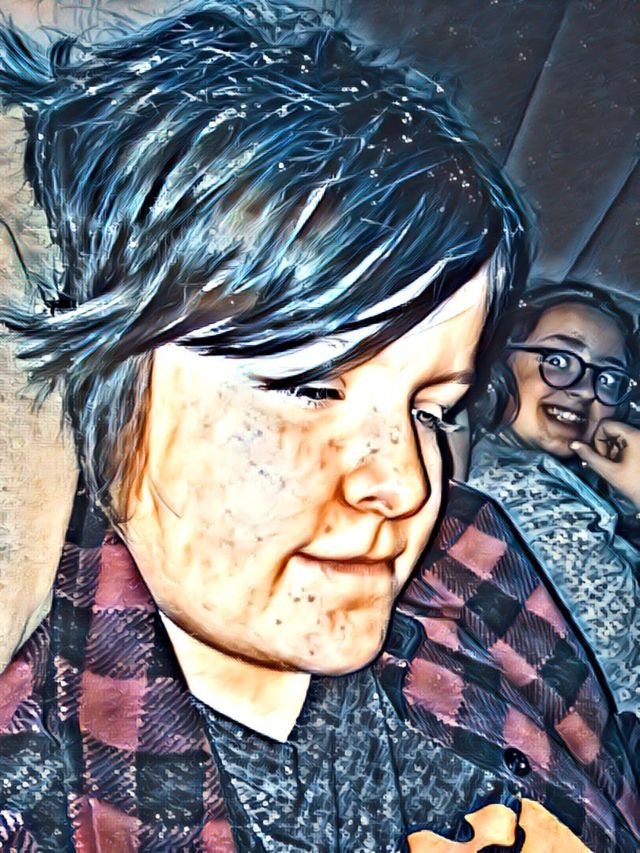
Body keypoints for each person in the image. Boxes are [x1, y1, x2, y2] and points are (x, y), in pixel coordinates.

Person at [0, 5, 637, 851]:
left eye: (430, 409)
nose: (408, 484)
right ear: (108, 382)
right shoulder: (38, 795)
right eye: (309, 387)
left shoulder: (474, 550)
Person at [469, 282, 640, 721]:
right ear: (502, 365)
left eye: (608, 378)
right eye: (559, 361)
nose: (584, 389)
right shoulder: (518, 495)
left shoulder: (546, 479)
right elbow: (621, 662)